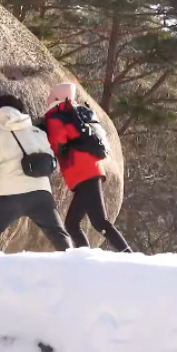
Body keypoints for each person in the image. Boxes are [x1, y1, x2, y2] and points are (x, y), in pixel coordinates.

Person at [0, 94, 72, 252]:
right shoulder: (37, 132)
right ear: (21, 111)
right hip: (41, 194)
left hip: (11, 196)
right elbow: (53, 161)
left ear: (0, 111)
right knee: (59, 235)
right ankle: (75, 266)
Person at [44, 82, 132, 252]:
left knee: (93, 222)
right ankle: (90, 255)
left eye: (50, 95)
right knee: (83, 222)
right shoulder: (77, 112)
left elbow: (58, 142)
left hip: (82, 172)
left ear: (56, 97)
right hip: (91, 169)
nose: (47, 99)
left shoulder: (57, 115)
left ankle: (126, 253)